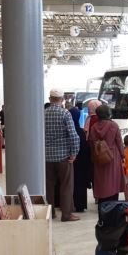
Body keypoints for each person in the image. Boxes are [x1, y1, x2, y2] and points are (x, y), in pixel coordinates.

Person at [44, 89, 80, 222]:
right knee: (66, 185)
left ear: (49, 98)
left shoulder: (43, 113)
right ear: (62, 99)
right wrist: (74, 153)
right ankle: (66, 215)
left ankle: (50, 213)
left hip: (47, 157)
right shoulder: (65, 113)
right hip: (63, 156)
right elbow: (74, 136)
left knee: (48, 186)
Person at [88, 105, 125, 204]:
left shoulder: (94, 127)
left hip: (99, 157)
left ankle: (102, 204)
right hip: (113, 156)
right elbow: (119, 142)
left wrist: (94, 156)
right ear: (108, 113)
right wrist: (122, 155)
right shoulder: (114, 125)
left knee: (101, 181)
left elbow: (91, 143)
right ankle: (112, 205)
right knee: (113, 181)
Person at [69, 104, 91, 212]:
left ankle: (69, 204)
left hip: (71, 161)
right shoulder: (81, 132)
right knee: (80, 183)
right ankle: (80, 205)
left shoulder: (68, 131)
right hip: (82, 163)